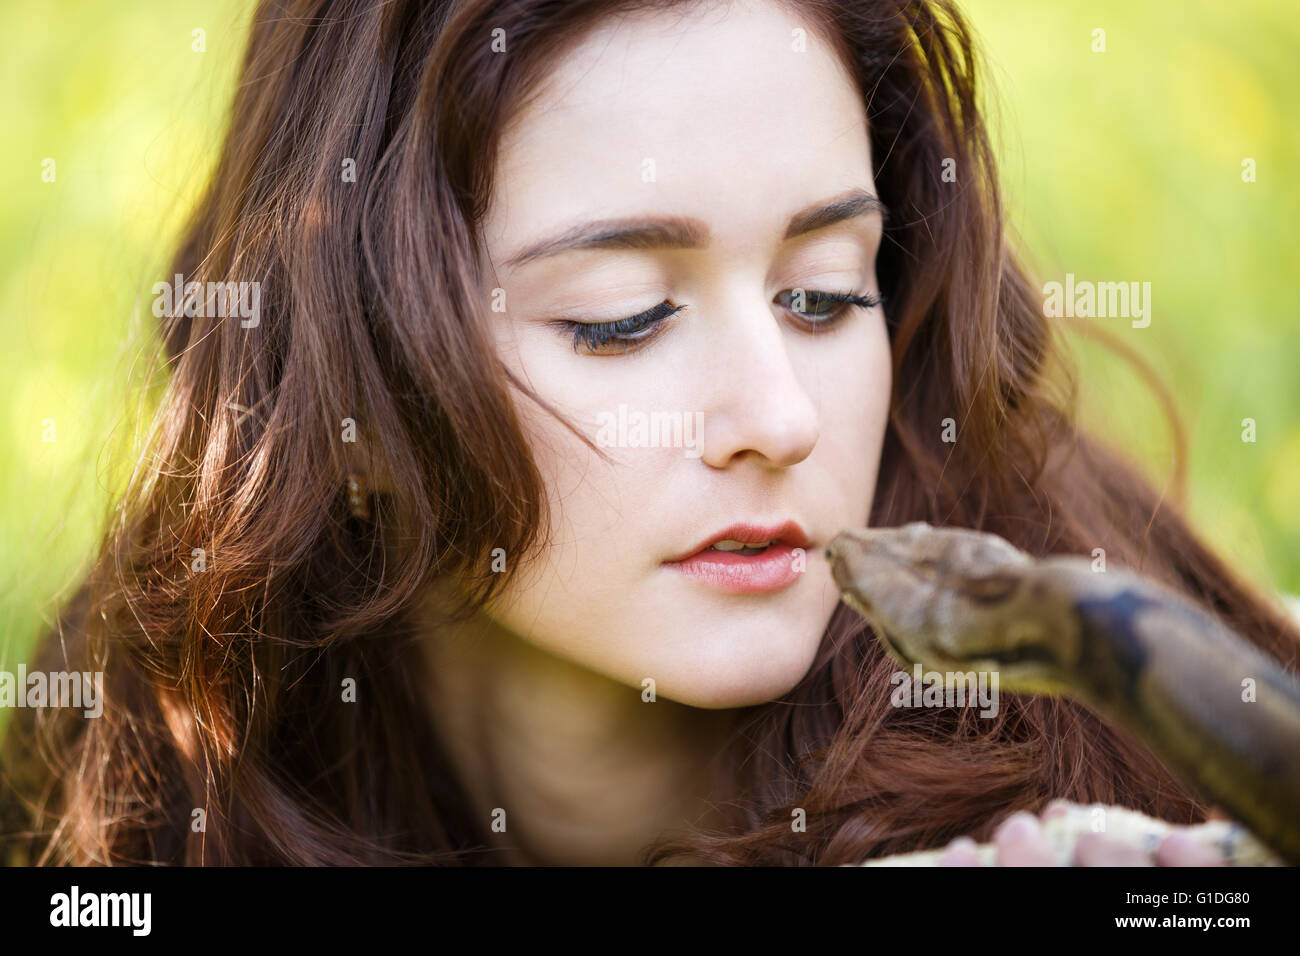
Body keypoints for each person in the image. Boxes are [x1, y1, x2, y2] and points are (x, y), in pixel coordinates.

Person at [3, 0, 1296, 866]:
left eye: (826, 293)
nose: (780, 419)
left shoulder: (1109, 822)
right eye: (624, 321)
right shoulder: (133, 806)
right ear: (343, 394)